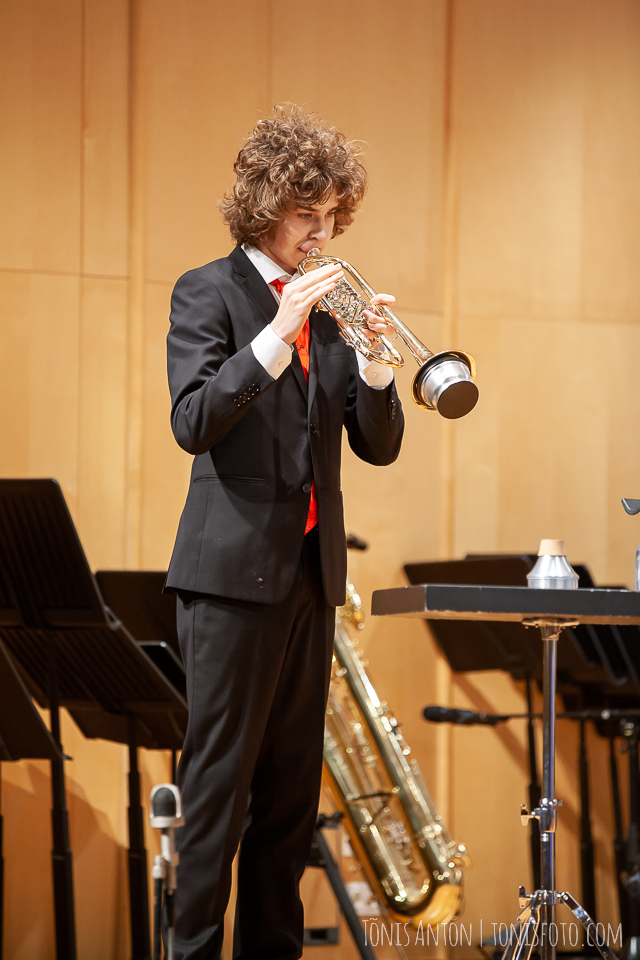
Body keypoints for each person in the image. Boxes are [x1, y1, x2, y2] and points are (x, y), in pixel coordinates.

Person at [165, 104, 405, 960]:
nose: (322, 233)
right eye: (308, 214)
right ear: (267, 206)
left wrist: (374, 363)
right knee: (217, 796)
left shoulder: (334, 310)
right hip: (230, 583)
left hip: (309, 577)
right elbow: (194, 421)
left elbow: (377, 446)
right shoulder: (209, 291)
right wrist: (275, 335)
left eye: (333, 216)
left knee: (290, 805)